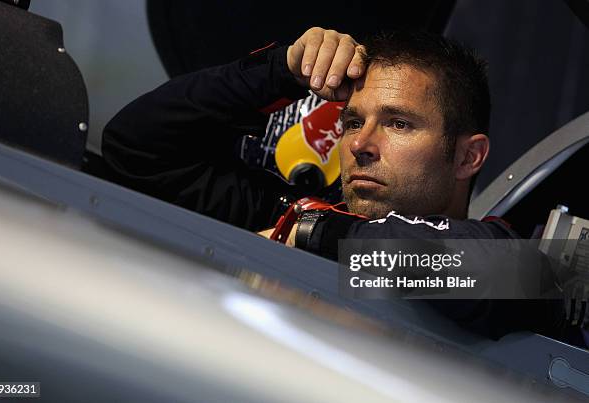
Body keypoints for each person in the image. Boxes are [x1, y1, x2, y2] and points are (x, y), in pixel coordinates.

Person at [99, 27, 565, 340]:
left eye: (398, 124)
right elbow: (136, 148)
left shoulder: (507, 263)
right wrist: (280, 69)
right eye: (352, 121)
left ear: (468, 156)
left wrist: (311, 235)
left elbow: (514, 270)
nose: (361, 143)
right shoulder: (290, 216)